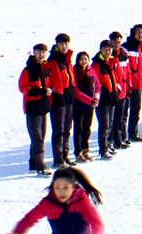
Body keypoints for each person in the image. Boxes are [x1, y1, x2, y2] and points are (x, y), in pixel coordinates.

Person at [18, 43, 62, 176]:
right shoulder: (28, 69)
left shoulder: (46, 68)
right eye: (39, 52)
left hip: (43, 107)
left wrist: (51, 90)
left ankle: (33, 162)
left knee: (40, 136)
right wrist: (40, 91)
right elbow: (23, 88)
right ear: (34, 52)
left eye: (44, 52)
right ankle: (40, 165)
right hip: (32, 108)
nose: (41, 54)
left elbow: (51, 83)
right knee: (37, 138)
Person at [47, 33, 76, 168]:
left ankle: (65, 155)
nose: (64, 46)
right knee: (58, 130)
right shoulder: (53, 60)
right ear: (57, 45)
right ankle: (58, 159)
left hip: (69, 97)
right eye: (62, 43)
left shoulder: (67, 58)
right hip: (58, 99)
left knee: (67, 128)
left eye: (66, 43)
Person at [91, 40, 120, 160]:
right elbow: (96, 82)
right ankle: (103, 149)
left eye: (110, 49)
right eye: (106, 49)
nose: (108, 51)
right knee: (104, 124)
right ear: (101, 50)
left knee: (110, 123)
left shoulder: (112, 62)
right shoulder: (97, 64)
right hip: (102, 99)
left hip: (111, 97)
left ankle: (107, 145)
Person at [122, 24, 142, 143]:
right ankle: (121, 136)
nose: (141, 34)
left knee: (136, 109)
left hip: (139, 84)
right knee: (124, 111)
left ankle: (133, 133)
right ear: (134, 33)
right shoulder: (126, 47)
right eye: (138, 32)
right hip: (128, 85)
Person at [72, 51, 100, 162]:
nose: (84, 61)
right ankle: (78, 152)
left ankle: (85, 149)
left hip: (91, 104)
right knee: (78, 128)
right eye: (82, 59)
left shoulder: (91, 71)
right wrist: (89, 100)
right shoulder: (75, 72)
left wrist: (97, 97)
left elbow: (98, 85)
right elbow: (76, 90)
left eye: (86, 59)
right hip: (79, 104)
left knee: (87, 128)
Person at [108, 31, 131, 150]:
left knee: (121, 117)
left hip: (123, 90)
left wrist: (129, 86)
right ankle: (110, 140)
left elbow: (128, 71)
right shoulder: (108, 54)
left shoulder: (124, 54)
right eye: (114, 42)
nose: (117, 44)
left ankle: (119, 139)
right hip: (113, 92)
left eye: (118, 42)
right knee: (112, 119)